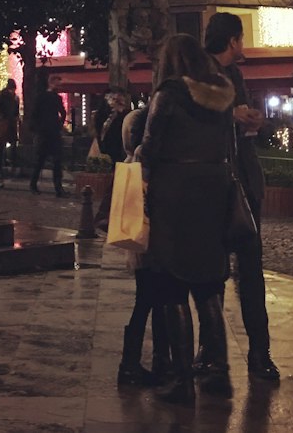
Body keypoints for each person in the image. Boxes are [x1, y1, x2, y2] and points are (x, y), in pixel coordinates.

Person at [140, 32, 236, 405]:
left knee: (172, 284)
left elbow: (150, 147)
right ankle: (219, 372)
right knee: (209, 283)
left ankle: (182, 381)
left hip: (175, 193)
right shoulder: (222, 96)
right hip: (213, 191)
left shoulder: (169, 95)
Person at [202, 10, 280, 383]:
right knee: (211, 273)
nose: (243, 46)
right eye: (241, 39)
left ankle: (259, 351)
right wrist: (230, 115)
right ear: (231, 40)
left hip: (244, 184)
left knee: (250, 272)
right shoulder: (199, 77)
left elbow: (238, 125)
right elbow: (200, 123)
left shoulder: (235, 75)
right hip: (215, 186)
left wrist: (251, 123)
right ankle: (212, 350)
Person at [115, 106, 169, 388]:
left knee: (149, 301)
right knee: (150, 302)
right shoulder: (142, 164)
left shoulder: (129, 163)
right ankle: (131, 364)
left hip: (139, 247)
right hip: (149, 245)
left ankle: (137, 363)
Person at [92, 90, 131, 229]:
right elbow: (102, 134)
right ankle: (104, 216)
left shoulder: (122, 115)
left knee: (117, 183)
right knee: (116, 184)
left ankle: (105, 216)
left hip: (121, 152)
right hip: (117, 152)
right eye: (113, 99)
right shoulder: (106, 116)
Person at [29, 75, 67, 196]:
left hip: (50, 132)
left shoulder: (52, 97)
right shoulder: (44, 97)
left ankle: (57, 187)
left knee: (55, 161)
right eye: (57, 84)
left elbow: (62, 112)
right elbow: (35, 113)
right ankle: (35, 184)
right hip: (46, 132)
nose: (59, 87)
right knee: (42, 160)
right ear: (51, 83)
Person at [0, 79, 21, 186]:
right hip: (7, 123)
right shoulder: (11, 97)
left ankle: (3, 169)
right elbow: (14, 111)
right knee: (6, 146)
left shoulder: (2, 96)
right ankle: (3, 169)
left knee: (5, 146)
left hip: (6, 123)